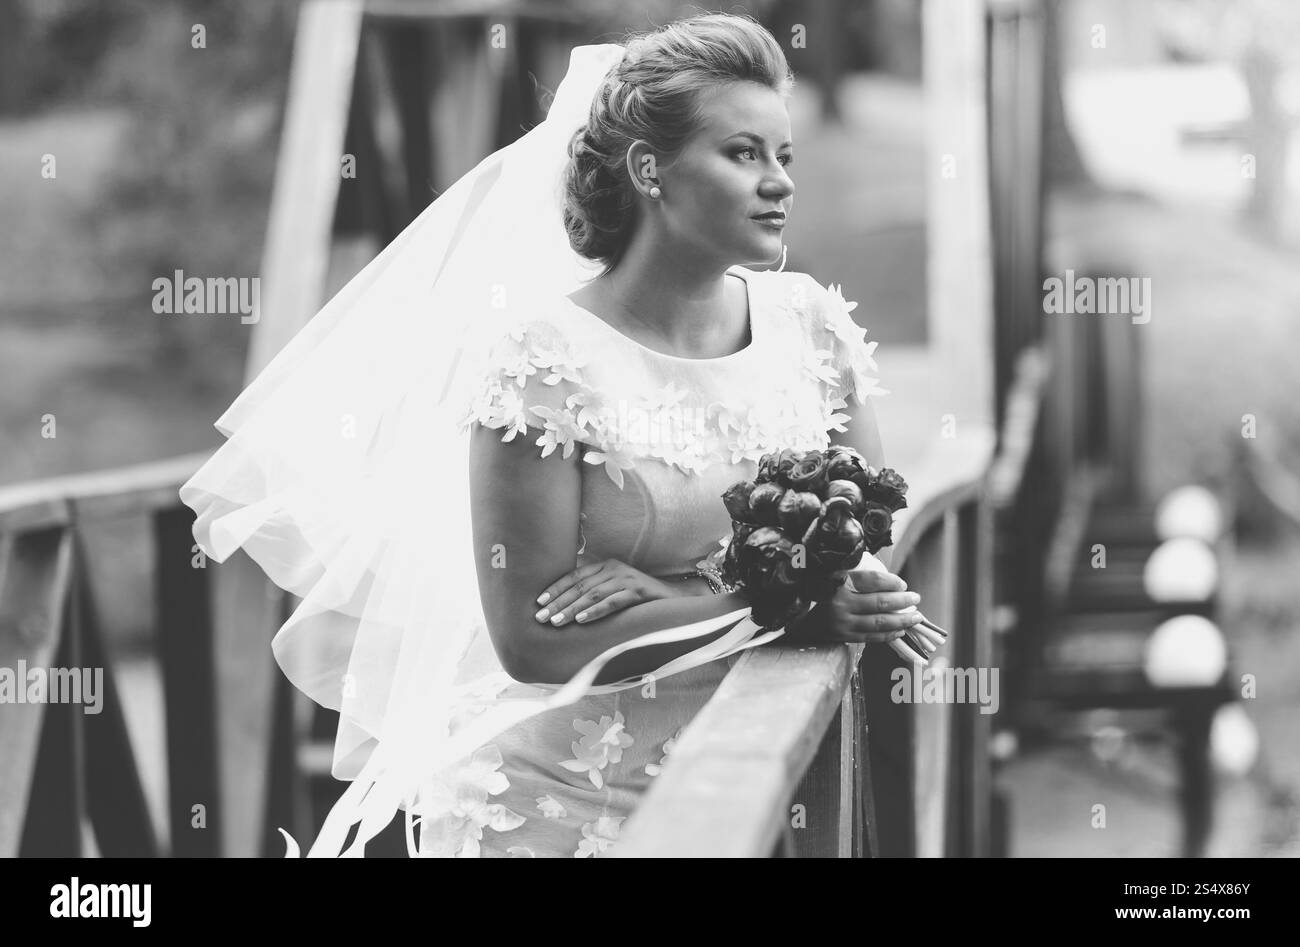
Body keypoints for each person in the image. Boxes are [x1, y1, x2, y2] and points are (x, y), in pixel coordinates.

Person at [179, 12, 923, 859]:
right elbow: (531, 641)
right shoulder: (541, 361)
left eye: (783, 156)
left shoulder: (814, 328)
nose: (779, 182)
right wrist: (762, 603)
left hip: (768, 780)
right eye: (743, 153)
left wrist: (672, 589)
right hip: (561, 805)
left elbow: (864, 552)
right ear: (651, 170)